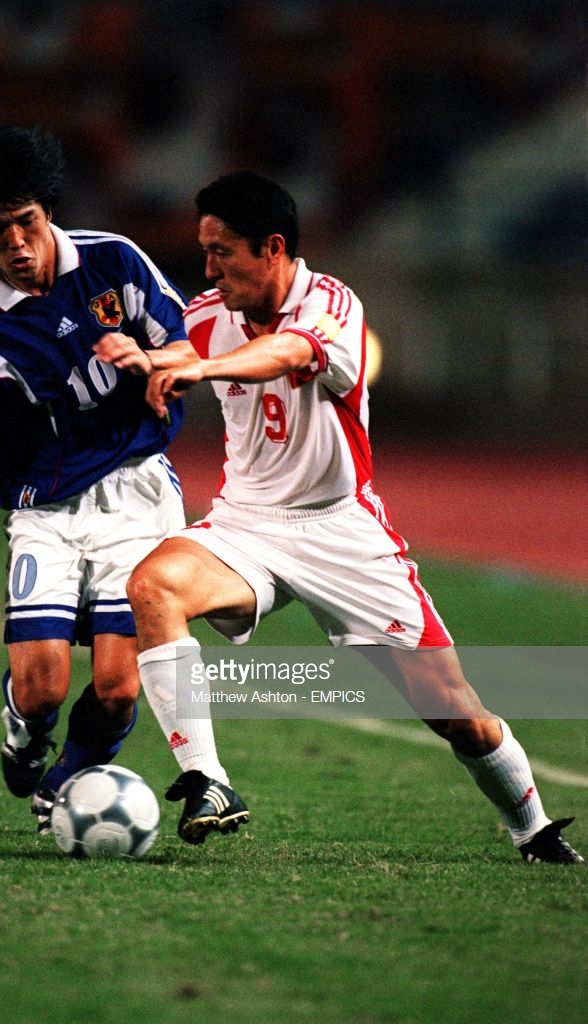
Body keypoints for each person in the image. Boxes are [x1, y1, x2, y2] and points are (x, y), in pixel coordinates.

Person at [94, 170, 583, 863]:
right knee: (153, 586)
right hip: (245, 526)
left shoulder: (332, 304)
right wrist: (149, 359)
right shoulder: (209, 311)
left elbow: (287, 352)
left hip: (342, 534)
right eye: (205, 252)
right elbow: (184, 346)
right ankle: (208, 780)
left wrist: (203, 370)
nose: (208, 269)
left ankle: (532, 829)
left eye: (221, 252)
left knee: (458, 714)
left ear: (272, 248)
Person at [0, 125, 247, 840]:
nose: (16, 244)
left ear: (49, 210)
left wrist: (152, 361)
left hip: (136, 493)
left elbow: (186, 348)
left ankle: (65, 781)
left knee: (119, 687)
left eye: (26, 222)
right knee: (44, 687)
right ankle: (25, 725)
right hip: (44, 508)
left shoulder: (114, 261)